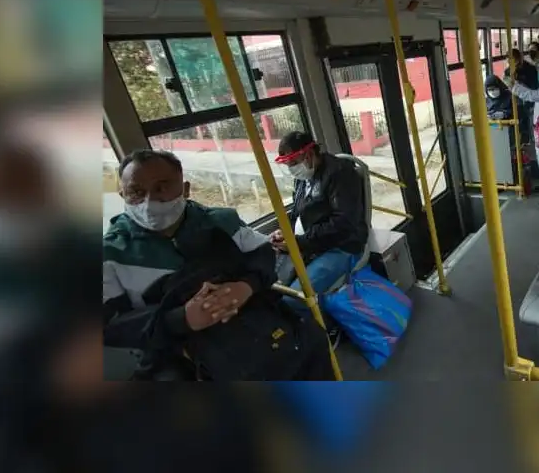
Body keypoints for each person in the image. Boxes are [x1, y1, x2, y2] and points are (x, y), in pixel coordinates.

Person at [102, 149, 334, 380]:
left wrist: (246, 286)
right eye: (137, 192)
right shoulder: (112, 255)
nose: (149, 201)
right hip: (173, 346)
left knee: (311, 338)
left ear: (185, 189)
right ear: (123, 195)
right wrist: (181, 318)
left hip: (247, 315)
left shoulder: (221, 222)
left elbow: (263, 253)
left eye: (161, 187)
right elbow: (109, 327)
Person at [271, 131, 369, 298]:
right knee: (272, 287)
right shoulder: (304, 177)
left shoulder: (340, 174)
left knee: (293, 298)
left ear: (308, 155)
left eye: (293, 163)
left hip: (341, 246)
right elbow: (298, 211)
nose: (292, 170)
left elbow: (343, 223)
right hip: (311, 243)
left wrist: (299, 242)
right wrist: (286, 232)